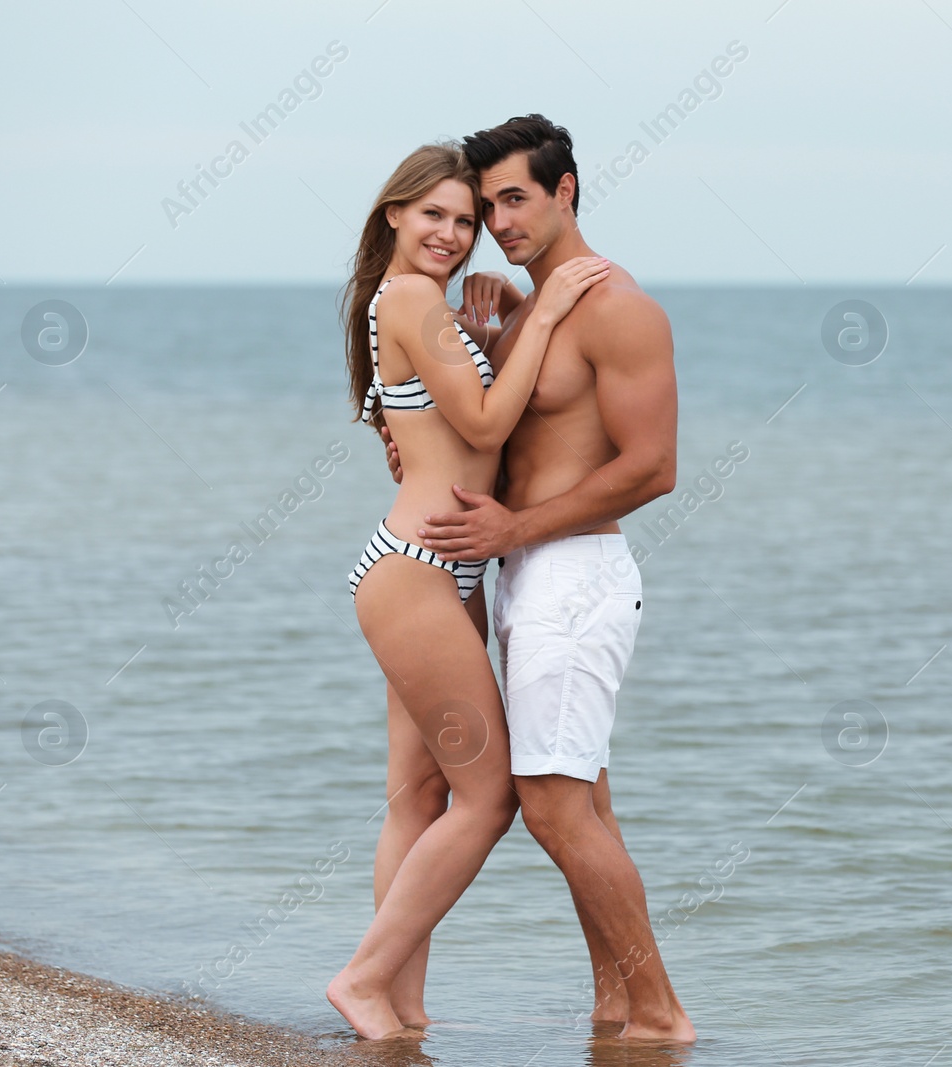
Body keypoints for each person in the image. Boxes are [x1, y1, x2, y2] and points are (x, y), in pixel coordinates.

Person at [411, 114, 694, 1042]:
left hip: (574, 574)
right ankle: (616, 1009)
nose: (498, 221)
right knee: (584, 805)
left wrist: (513, 529)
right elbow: (517, 434)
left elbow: (653, 466)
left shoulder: (618, 307)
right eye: (488, 205)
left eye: (516, 198)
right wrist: (488, 341)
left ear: (566, 189)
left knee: (553, 805)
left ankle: (659, 1014)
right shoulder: (535, 308)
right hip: (530, 575)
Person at [324, 141, 608, 1041]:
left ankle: (401, 1005)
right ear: (393, 216)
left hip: (441, 571)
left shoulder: (416, 306)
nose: (453, 233)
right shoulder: (408, 297)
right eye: (434, 214)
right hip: (418, 572)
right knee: (489, 797)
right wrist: (551, 305)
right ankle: (366, 979)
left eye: (466, 217)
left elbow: (427, 427)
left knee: (419, 797)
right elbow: (487, 420)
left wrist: (496, 327)